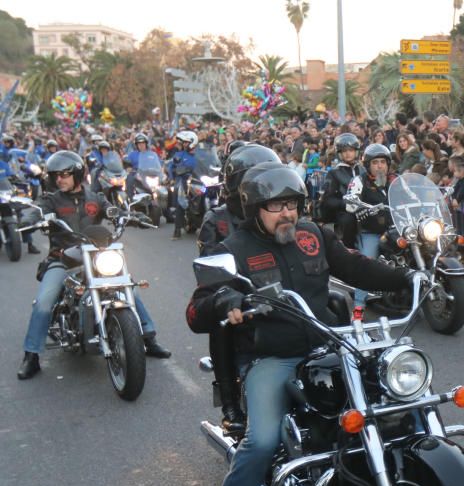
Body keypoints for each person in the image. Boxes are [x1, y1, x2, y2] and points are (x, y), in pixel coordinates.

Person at [185, 163, 411, 486]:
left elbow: (358, 267)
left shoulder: (314, 236)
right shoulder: (232, 249)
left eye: (291, 203)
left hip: (330, 345)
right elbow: (197, 308)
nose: (286, 213)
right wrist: (226, 301)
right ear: (254, 209)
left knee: (397, 404)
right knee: (262, 440)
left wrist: (410, 277)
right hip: (272, 356)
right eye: (276, 206)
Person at [17, 151, 170, 380]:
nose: (60, 179)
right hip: (62, 259)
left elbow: (114, 211)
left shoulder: (95, 198)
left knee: (129, 288)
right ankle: (31, 355)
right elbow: (34, 210)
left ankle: (148, 338)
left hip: (97, 257)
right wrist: (30, 218)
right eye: (56, 175)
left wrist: (134, 217)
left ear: (77, 174)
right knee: (43, 303)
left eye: (65, 174)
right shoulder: (51, 200)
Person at [198, 143, 282, 432]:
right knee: (221, 322)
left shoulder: (277, 213)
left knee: (334, 300)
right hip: (243, 296)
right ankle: (230, 401)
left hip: (282, 291)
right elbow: (211, 276)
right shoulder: (217, 221)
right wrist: (232, 297)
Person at [350, 143, 396, 320]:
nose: (379, 166)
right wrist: (355, 204)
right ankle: (358, 308)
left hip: (396, 228)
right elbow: (351, 200)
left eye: (383, 162)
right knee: (366, 263)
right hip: (372, 231)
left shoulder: (395, 179)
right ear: (368, 164)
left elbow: (411, 194)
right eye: (375, 162)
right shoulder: (359, 181)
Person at [317, 133, 363, 246]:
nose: (348, 153)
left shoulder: (363, 170)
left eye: (351, 150)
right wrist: (344, 204)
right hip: (345, 212)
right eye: (344, 151)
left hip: (364, 209)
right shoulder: (334, 173)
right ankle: (349, 252)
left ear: (356, 151)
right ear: (340, 153)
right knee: (348, 220)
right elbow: (327, 199)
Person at [169, 130, 199, 240]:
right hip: (184, 181)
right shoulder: (179, 154)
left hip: (199, 181)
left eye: (187, 142)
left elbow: (208, 164)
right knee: (180, 200)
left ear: (193, 142)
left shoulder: (200, 154)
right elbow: (172, 167)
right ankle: (177, 230)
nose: (185, 144)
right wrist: (173, 176)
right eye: (184, 142)